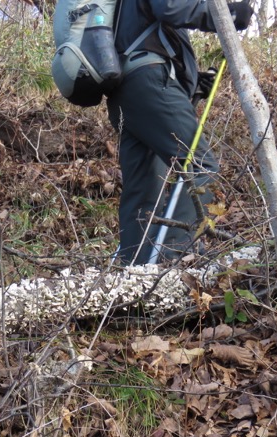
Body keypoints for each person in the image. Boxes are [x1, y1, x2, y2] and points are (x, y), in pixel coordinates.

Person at [107, 0, 253, 265]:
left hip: (124, 91)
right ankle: (165, 263)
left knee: (143, 190)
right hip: (150, 82)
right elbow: (170, 7)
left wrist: (192, 80)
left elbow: (145, 33)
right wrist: (228, 14)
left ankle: (130, 278)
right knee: (201, 166)